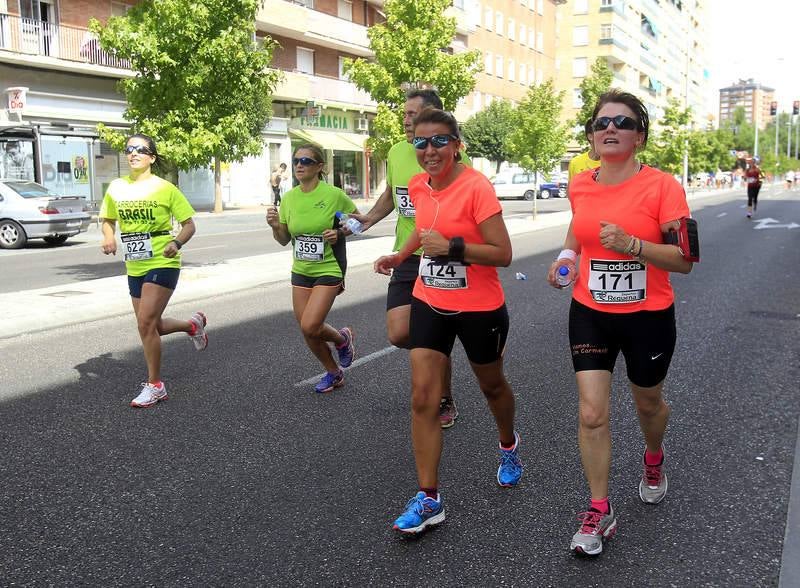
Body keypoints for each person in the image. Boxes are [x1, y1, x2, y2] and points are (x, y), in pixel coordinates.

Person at [547, 89, 695, 556]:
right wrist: (568, 257)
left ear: (640, 136)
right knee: (592, 412)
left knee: (648, 405)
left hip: (647, 315)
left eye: (623, 122)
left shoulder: (663, 187)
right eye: (601, 122)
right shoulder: (581, 183)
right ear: (591, 136)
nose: (610, 128)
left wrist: (633, 245)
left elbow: (685, 260)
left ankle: (653, 459)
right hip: (590, 310)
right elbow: (579, 228)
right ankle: (599, 508)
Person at [374, 108, 522, 534]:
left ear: (457, 145)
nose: (429, 150)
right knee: (423, 397)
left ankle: (509, 445)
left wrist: (455, 248)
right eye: (420, 142)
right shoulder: (419, 185)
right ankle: (429, 498)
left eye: (439, 140)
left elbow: (503, 253)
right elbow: (424, 231)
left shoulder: (477, 187)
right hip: (430, 299)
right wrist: (401, 255)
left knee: (492, 386)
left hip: (480, 306)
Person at [351, 89, 462, 429]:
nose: (405, 119)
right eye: (404, 114)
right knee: (400, 333)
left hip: (441, 255)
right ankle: (437, 349)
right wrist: (369, 218)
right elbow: (392, 193)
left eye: (413, 114)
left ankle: (442, 395)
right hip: (407, 254)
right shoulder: (399, 152)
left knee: (432, 331)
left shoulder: (454, 158)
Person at [99, 133, 208, 408]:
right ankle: (192, 326)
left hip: (163, 259)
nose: (133, 153)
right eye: (129, 149)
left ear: (152, 157)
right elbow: (108, 219)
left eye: (140, 149)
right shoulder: (116, 187)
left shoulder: (165, 188)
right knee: (153, 325)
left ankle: (156, 385)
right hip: (134, 263)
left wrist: (176, 242)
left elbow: (189, 225)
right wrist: (108, 236)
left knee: (145, 323)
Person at [266, 144, 357, 393]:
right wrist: (275, 225)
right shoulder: (289, 198)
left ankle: (342, 339)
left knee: (310, 325)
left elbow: (358, 223)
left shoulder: (334, 195)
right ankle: (333, 371)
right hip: (301, 269)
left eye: (306, 161)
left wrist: (340, 231)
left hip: (329, 267)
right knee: (308, 330)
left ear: (319, 167)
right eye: (296, 161)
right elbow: (284, 239)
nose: (299, 165)